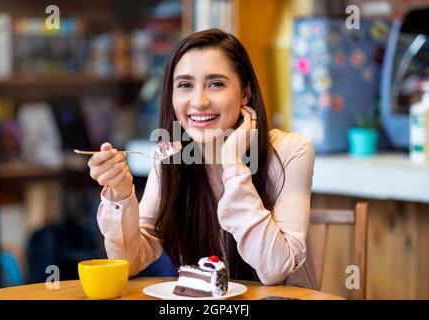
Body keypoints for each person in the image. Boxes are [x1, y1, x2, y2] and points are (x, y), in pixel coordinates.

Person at [87, 29, 318, 288]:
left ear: (245, 93)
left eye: (216, 84)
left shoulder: (291, 151)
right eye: (185, 85)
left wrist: (233, 163)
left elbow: (276, 270)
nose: (199, 101)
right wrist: (120, 193)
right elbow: (128, 262)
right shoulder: (170, 161)